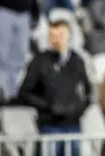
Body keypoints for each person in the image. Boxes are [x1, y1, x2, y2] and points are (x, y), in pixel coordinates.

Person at [18, 18, 91, 156]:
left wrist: (79, 109)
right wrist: (49, 107)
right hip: (49, 126)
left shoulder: (77, 60)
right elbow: (24, 93)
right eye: (52, 36)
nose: (56, 40)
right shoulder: (39, 61)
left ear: (69, 35)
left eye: (61, 35)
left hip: (73, 125)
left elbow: (87, 90)